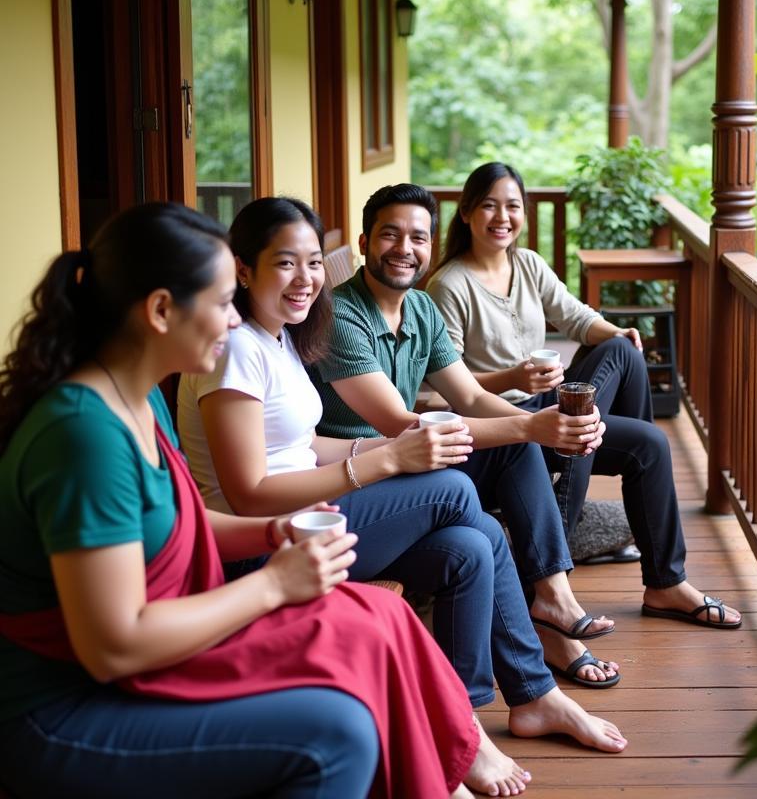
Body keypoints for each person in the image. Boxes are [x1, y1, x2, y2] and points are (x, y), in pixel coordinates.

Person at [0, 202, 481, 799]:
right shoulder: (83, 435)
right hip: (66, 709)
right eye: (223, 302)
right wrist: (274, 584)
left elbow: (176, 520)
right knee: (338, 734)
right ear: (159, 311)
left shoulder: (135, 397)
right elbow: (113, 646)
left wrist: (271, 534)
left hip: (154, 645)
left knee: (378, 615)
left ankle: (448, 774)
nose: (234, 322)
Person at [178, 197, 627, 794]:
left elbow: (308, 446)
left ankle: (489, 713)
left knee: (476, 542)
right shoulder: (235, 350)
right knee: (450, 489)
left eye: (314, 263)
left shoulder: (278, 337)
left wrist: (394, 447)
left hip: (314, 520)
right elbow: (251, 492)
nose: (307, 279)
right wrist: (390, 458)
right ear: (242, 268)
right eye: (286, 264)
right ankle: (487, 708)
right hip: (270, 546)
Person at [307, 184, 631, 687]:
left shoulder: (419, 308)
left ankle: (552, 594)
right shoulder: (339, 315)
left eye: (417, 237)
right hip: (365, 474)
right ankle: (544, 629)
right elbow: (398, 422)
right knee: (507, 458)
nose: (403, 248)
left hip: (415, 460)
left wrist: (546, 430)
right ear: (365, 240)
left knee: (514, 445)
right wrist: (531, 424)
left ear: (431, 246)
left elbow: (473, 398)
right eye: (389, 235)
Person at [427, 163, 741, 630]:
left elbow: (577, 318)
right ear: (468, 212)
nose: (502, 216)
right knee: (633, 434)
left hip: (547, 406)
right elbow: (448, 384)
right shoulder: (449, 285)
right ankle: (567, 530)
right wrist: (514, 375)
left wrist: (617, 330)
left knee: (629, 376)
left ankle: (664, 583)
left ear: (524, 214)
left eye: (513, 205)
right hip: (504, 424)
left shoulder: (528, 264)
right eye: (489, 205)